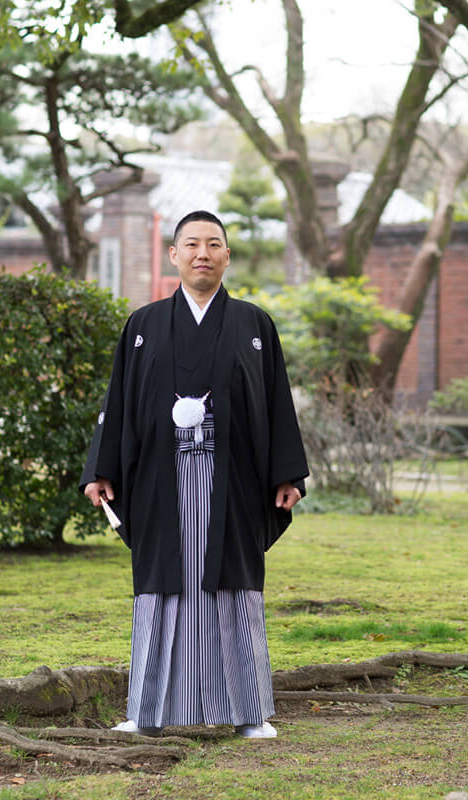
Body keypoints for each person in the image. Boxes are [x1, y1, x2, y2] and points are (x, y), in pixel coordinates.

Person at [81, 209, 308, 739]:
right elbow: (118, 402)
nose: (202, 253)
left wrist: (287, 474)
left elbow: (277, 405)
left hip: (233, 481)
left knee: (234, 588)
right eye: (192, 244)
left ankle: (248, 713)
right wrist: (102, 467)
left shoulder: (254, 325)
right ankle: (148, 711)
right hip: (162, 480)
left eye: (214, 244)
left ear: (227, 255)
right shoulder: (143, 326)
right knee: (161, 590)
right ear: (174, 255)